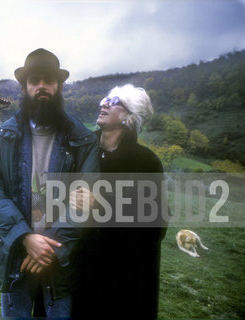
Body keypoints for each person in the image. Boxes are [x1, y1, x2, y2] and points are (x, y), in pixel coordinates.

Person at [0, 48, 100, 318]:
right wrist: (25, 237)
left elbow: (86, 203)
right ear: (24, 88)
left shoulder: (83, 140)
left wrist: (48, 248)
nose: (41, 87)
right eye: (34, 81)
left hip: (61, 259)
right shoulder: (4, 137)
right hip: (15, 256)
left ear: (59, 86)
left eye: (48, 81)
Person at [71, 84, 167, 319]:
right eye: (104, 99)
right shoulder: (80, 150)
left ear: (129, 117)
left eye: (113, 101)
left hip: (123, 278)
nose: (103, 103)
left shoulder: (146, 163)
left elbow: (156, 226)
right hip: (78, 270)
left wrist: (102, 205)